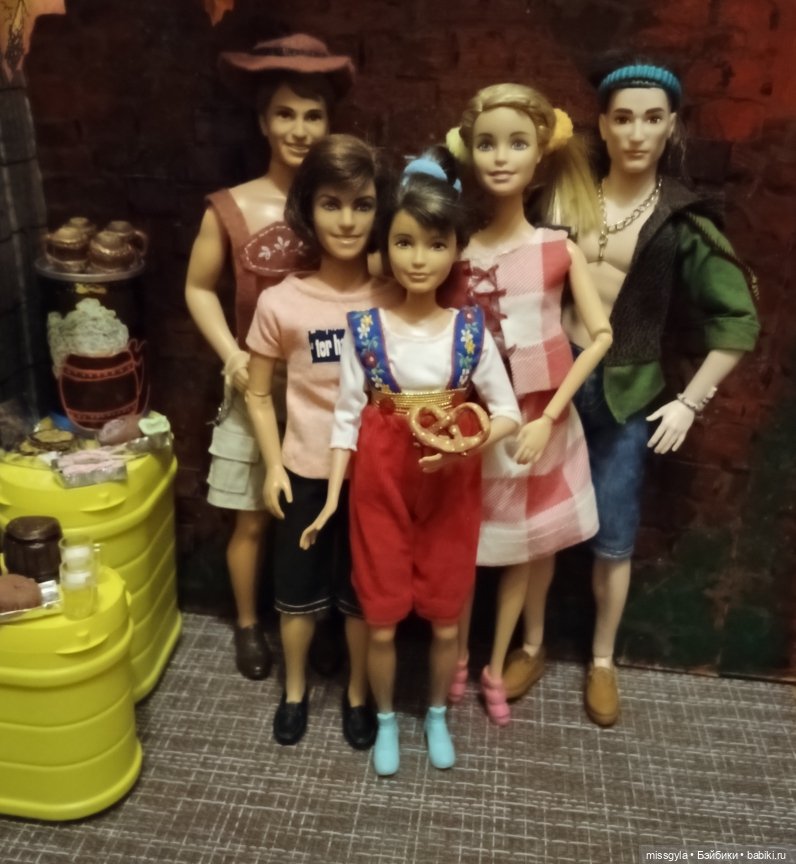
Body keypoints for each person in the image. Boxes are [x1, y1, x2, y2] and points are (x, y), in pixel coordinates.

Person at [504, 61, 760, 726]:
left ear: (671, 125)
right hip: (550, 384)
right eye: (623, 118)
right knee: (539, 530)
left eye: (652, 118)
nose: (637, 133)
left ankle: (602, 660)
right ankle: (531, 645)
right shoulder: (563, 196)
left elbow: (738, 320)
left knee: (614, 537)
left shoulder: (681, 220)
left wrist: (690, 401)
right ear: (602, 123)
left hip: (626, 393)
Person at [300, 150, 521, 775]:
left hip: (452, 482)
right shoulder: (366, 331)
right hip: (379, 482)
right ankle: (388, 720)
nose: (419, 259)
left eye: (435, 244)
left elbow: (507, 413)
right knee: (381, 620)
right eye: (404, 242)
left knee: (447, 619)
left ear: (455, 249)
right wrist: (332, 498)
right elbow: (346, 419)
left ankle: (436, 715)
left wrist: (468, 444)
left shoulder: (469, 332)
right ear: (385, 246)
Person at [440, 83, 613, 726]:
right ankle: (457, 656)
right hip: (475, 423)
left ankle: (496, 660)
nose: (501, 157)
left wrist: (550, 415)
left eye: (517, 143)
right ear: (469, 153)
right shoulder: (455, 251)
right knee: (465, 547)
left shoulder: (555, 249)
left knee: (525, 548)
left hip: (541, 422)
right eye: (487, 144)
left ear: (540, 154)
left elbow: (600, 336)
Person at [184, 35, 354, 680]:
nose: (299, 129)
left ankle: (326, 619)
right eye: (285, 114)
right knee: (251, 518)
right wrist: (231, 352)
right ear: (262, 122)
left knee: (327, 514)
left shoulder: (341, 207)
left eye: (313, 115)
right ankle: (249, 624)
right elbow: (199, 287)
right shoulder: (232, 207)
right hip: (254, 384)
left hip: (328, 391)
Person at [245, 134, 402, 747]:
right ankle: (294, 690)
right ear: (308, 208)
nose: (347, 221)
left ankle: (358, 694)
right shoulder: (281, 302)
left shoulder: (398, 297)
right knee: (295, 593)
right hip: (304, 469)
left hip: (374, 475)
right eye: (331, 204)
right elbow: (259, 393)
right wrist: (272, 466)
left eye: (363, 205)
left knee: (364, 595)